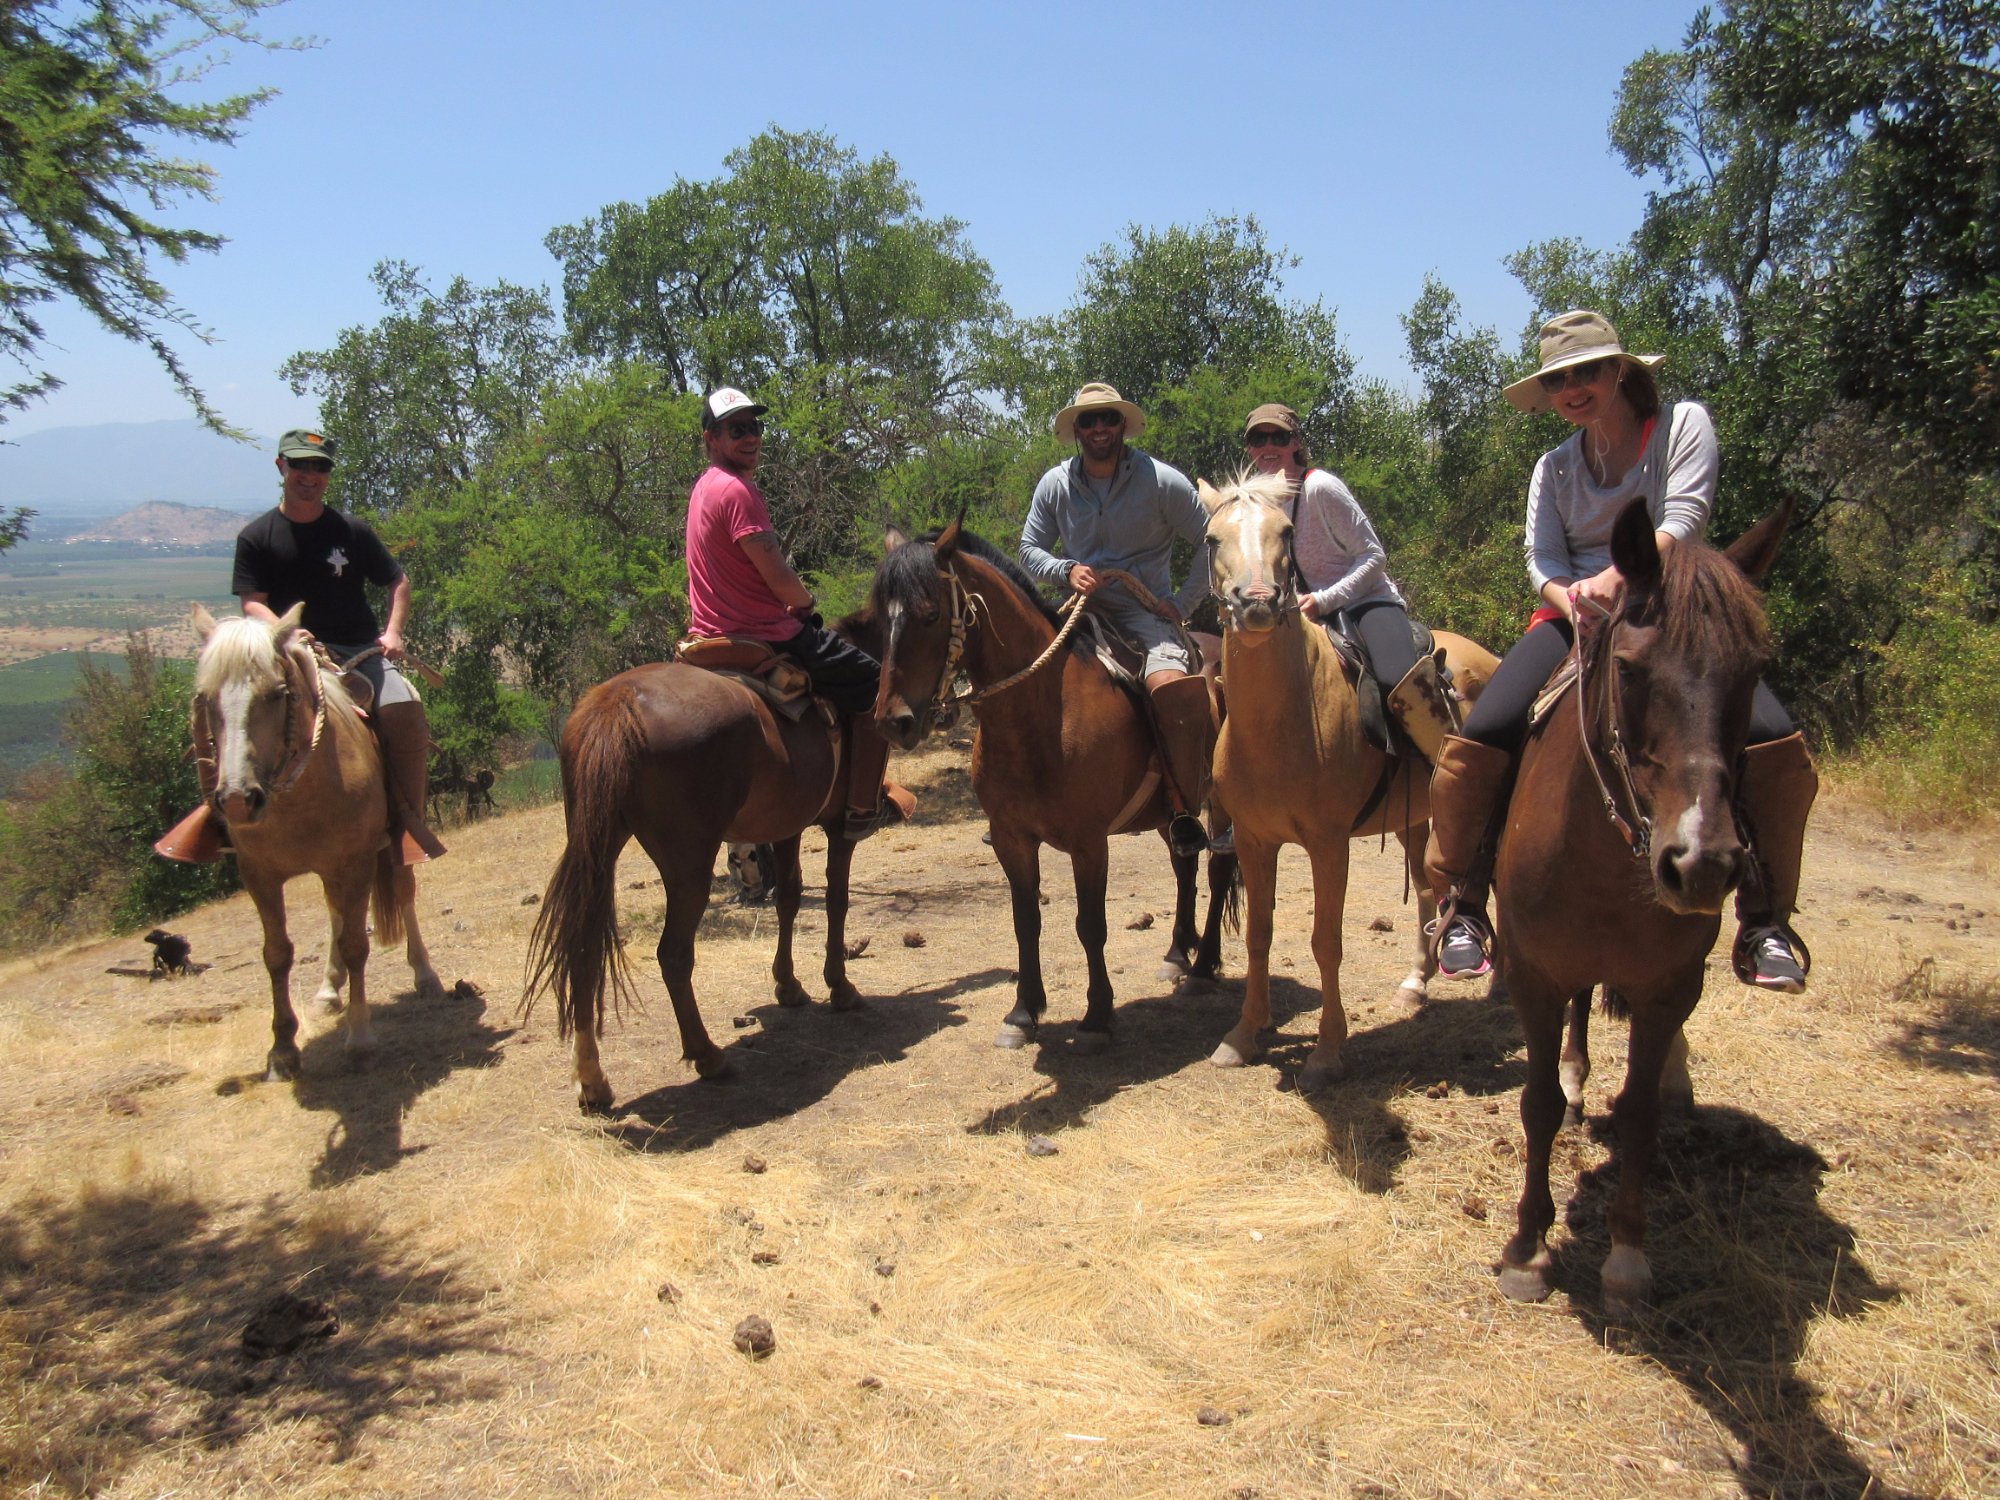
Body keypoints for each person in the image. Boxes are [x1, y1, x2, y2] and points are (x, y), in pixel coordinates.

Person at [1423, 310, 1817, 992]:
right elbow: (1538, 554)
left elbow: (1685, 517)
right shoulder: (1554, 467)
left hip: (1673, 611)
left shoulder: (1682, 426)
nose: (1573, 388)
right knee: (1484, 731)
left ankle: (1764, 918)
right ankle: (1464, 905)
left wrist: (1618, 579)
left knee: (1774, 740)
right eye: (1558, 380)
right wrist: (1569, 595)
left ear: (1619, 372)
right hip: (1572, 614)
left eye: (1586, 371)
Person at [156, 428, 446, 864]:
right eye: (299, 465)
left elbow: (397, 581)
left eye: (320, 467)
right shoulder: (257, 537)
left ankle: (406, 819)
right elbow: (252, 602)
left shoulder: (351, 531)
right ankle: (217, 815)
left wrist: (394, 633)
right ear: (281, 468)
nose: (309, 475)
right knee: (215, 707)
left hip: (355, 649)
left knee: (403, 703)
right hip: (284, 651)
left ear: (328, 475)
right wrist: (285, 633)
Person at [684, 387, 908, 840]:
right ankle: (865, 808)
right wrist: (804, 603)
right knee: (875, 685)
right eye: (736, 430)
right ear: (711, 438)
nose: (750, 438)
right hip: (765, 632)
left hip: (708, 635)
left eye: (755, 427)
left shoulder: (703, 488)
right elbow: (775, 571)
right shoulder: (738, 491)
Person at [1020, 382, 1216, 858]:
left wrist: (1182, 605)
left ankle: (1184, 806)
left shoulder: (1163, 481)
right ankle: (1020, 802)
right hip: (1078, 609)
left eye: (1108, 418)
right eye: (1089, 421)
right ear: (1076, 430)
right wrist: (1065, 570)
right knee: (1022, 679)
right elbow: (1028, 550)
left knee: (1169, 686)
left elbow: (1213, 544)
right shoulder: (1055, 484)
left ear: (1123, 424)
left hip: (1144, 612)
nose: (1100, 428)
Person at [1241, 402, 1457, 762]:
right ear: (1249, 448)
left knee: (1396, 681)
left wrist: (1325, 600)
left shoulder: (1320, 488)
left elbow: (1374, 557)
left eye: (1277, 436)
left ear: (1295, 441)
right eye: (1257, 439)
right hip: (1307, 614)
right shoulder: (1260, 507)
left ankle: (1448, 769)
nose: (1267, 447)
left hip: (1367, 603)